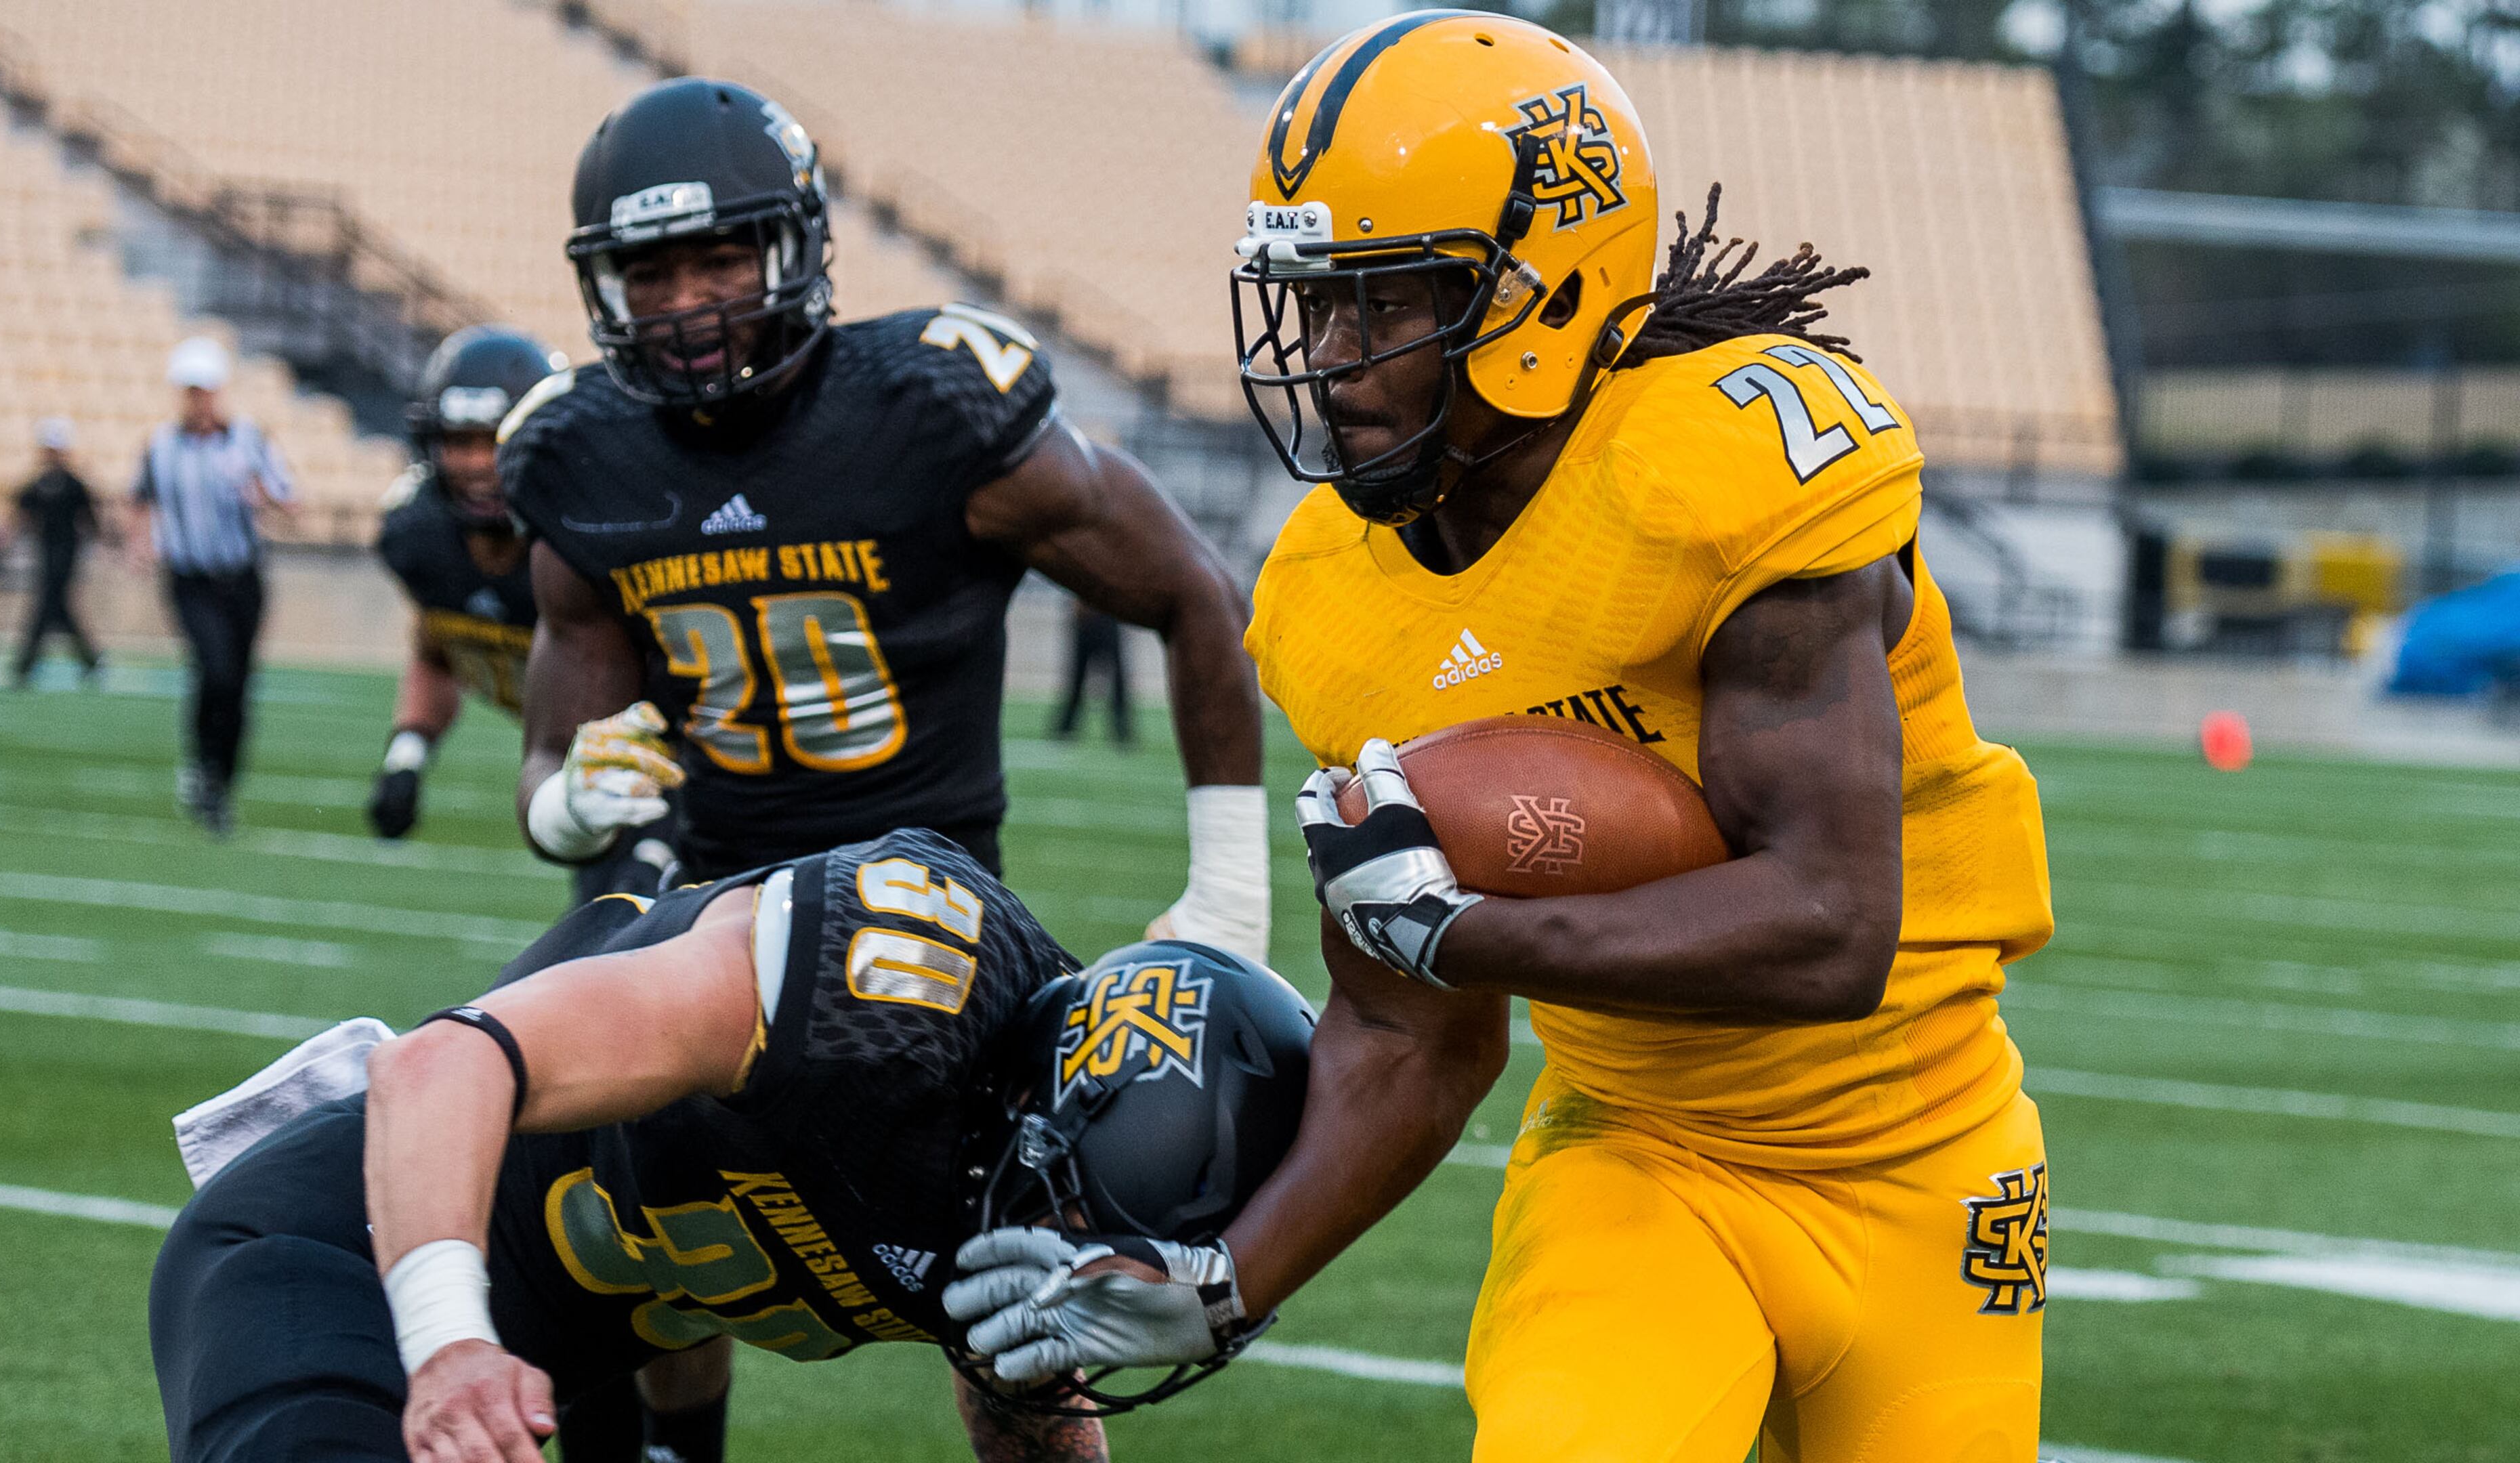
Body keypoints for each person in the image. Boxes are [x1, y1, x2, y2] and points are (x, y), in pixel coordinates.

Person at [951, 16, 2057, 1462]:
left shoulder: (1722, 466)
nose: (1329, 362)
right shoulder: (1330, 596)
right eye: (1311, 306)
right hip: (1641, 1153)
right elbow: (1407, 1024)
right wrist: (1224, 1282)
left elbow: (1832, 927)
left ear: (1543, 291)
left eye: (1381, 305)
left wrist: (1473, 935)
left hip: (1928, 1153)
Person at [147, 827, 1313, 1463]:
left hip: (540, 1371)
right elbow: (439, 1064)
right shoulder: (882, 1001)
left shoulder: (1029, 1192)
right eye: (1081, 1224)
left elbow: (1017, 1402)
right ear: (1038, 1111)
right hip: (343, 1261)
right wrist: (452, 1345)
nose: (1081, 1270)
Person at [502, 79, 1269, 963]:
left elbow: (1197, 592)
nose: (685, 304)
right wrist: (567, 810)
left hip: (927, 912)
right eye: (649, 274)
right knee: (487, 1032)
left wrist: (1231, 900)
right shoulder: (584, 455)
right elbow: (549, 757)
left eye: (721, 262)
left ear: (793, 249)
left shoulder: (927, 406)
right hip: (714, 909)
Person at [369, 325, 675, 902]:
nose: (478, 464)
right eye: (459, 442)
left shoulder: (589, 538)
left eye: (496, 441)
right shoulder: (420, 539)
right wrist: (407, 757)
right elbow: (438, 648)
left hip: (676, 764)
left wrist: (662, 838)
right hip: (586, 769)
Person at [127, 336, 296, 836]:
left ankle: (221, 778)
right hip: (190, 579)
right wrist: (140, 543)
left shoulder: (249, 441)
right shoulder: (161, 446)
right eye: (190, 391)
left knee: (238, 682)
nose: (198, 400)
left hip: (241, 578)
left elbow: (290, 503)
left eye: (204, 390)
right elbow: (140, 499)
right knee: (215, 670)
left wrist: (261, 495)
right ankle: (204, 767)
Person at [0, 416, 106, 687]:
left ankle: (26, 665)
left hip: (67, 553)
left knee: (47, 605)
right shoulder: (39, 484)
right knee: (57, 607)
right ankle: (90, 661)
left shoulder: (73, 484)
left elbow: (91, 520)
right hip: (45, 552)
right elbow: (20, 514)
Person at [1053, 602, 1134, 745]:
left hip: (1108, 618)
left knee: (1117, 680)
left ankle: (1121, 729)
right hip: (1087, 620)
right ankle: (1066, 726)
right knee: (1077, 678)